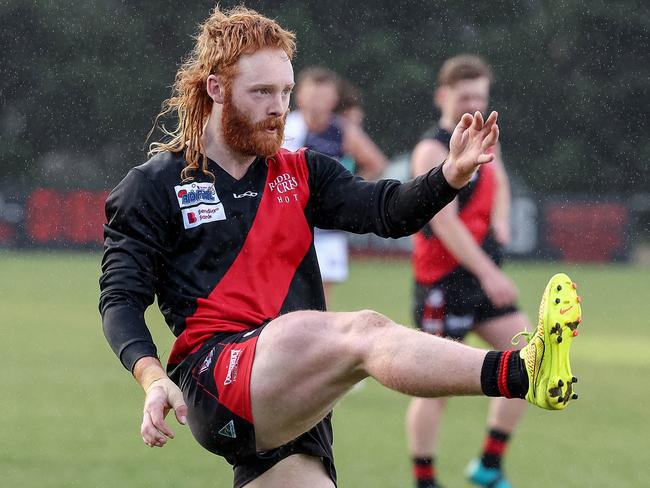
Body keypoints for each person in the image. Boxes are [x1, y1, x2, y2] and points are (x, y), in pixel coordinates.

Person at [99, 8, 582, 488]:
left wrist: (449, 175)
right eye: (262, 91)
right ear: (217, 89)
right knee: (364, 332)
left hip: (289, 401)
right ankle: (522, 371)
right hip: (217, 378)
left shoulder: (302, 172)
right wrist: (151, 376)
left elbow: (387, 210)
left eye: (285, 91)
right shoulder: (153, 186)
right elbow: (120, 299)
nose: (278, 107)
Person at [405, 55, 532, 488]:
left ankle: (489, 465)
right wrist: (490, 273)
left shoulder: (487, 141)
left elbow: (499, 180)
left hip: (481, 281)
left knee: (533, 361)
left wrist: (502, 220)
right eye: (464, 96)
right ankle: (426, 481)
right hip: (442, 283)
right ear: (443, 96)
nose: (473, 103)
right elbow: (445, 224)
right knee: (434, 389)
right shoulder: (431, 150)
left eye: (479, 95)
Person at [283, 67, 388, 305]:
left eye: (323, 97)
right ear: (299, 97)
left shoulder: (342, 130)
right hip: (289, 220)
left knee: (320, 297)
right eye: (312, 96)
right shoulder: (287, 126)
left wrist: (346, 191)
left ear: (333, 100)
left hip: (327, 228)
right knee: (284, 289)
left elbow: (376, 163)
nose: (316, 104)